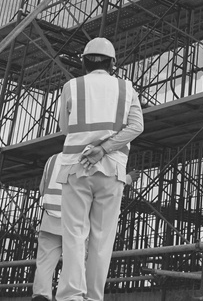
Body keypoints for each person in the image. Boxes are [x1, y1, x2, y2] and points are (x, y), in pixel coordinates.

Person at [57, 37, 144, 301]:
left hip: (76, 166)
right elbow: (137, 127)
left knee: (74, 234)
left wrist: (90, 145)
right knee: (102, 238)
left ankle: (71, 296)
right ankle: (93, 297)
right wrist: (104, 149)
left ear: (84, 61)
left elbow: (64, 128)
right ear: (113, 63)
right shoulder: (126, 88)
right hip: (112, 170)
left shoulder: (71, 86)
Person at [32, 151, 63, 301]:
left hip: (50, 218)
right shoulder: (88, 157)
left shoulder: (52, 159)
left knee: (45, 264)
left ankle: (40, 296)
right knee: (76, 262)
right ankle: (69, 296)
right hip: (75, 220)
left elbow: (42, 189)